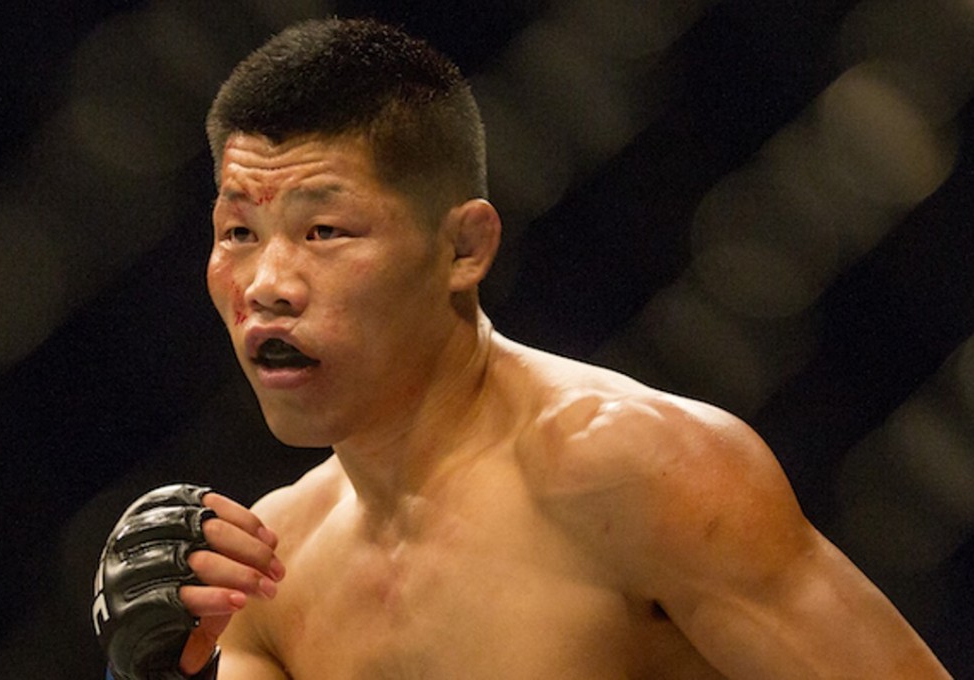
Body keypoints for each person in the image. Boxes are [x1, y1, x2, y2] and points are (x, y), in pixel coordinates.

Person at [92, 17, 952, 679]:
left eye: (323, 230)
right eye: (238, 231)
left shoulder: (635, 472)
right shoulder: (269, 568)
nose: (268, 281)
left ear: (463, 250)